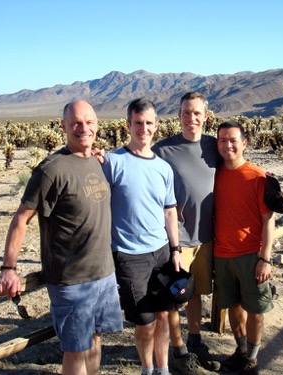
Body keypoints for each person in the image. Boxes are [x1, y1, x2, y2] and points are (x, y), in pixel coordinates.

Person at [0, 100, 123, 375]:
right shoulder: (51, 170)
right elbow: (21, 219)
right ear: (63, 126)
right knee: (75, 351)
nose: (83, 128)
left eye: (89, 122)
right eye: (76, 122)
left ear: (97, 125)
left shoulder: (97, 161)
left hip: (103, 274)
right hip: (71, 280)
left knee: (95, 342)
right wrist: (9, 268)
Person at [102, 98, 183, 375]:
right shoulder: (112, 162)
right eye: (138, 123)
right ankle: (147, 369)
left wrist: (176, 249)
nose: (143, 129)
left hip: (161, 252)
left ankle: (163, 369)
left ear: (156, 126)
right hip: (128, 255)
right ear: (128, 124)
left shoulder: (163, 168)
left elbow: (170, 212)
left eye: (149, 123)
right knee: (144, 321)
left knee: (162, 316)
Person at [152, 91, 221, 374]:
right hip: (176, 240)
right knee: (173, 296)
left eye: (196, 113)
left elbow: (239, 164)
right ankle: (178, 353)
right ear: (178, 116)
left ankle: (195, 342)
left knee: (195, 295)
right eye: (186, 112)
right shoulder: (163, 149)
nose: (191, 118)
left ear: (205, 116)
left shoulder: (216, 147)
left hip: (206, 238)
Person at [213, 120, 275, 375]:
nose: (227, 145)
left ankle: (251, 358)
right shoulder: (215, 173)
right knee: (233, 306)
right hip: (222, 254)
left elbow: (268, 220)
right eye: (222, 140)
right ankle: (240, 351)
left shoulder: (257, 177)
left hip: (251, 256)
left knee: (256, 309)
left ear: (244, 143)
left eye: (233, 140)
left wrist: (265, 258)